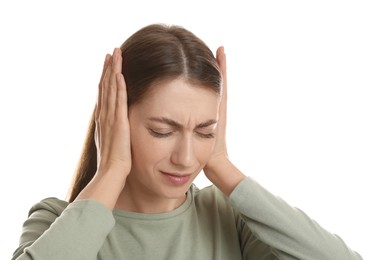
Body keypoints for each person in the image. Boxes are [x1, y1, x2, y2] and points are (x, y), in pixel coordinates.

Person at [12, 23, 362, 260]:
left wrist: (221, 164)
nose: (186, 157)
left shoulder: (229, 217)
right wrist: (111, 170)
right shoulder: (55, 222)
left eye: (205, 131)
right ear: (114, 120)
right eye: (162, 131)